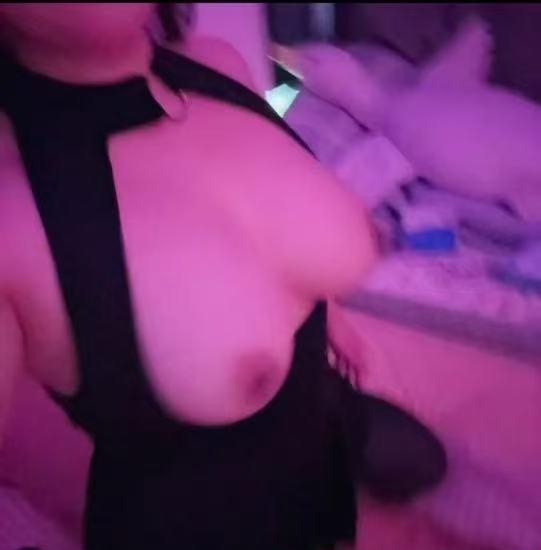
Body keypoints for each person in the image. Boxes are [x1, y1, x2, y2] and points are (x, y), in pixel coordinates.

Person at [0, 4, 445, 550]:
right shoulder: (9, 207)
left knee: (424, 465)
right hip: (199, 522)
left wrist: (329, 315)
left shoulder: (218, 63)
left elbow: (261, 232)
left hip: (314, 416)